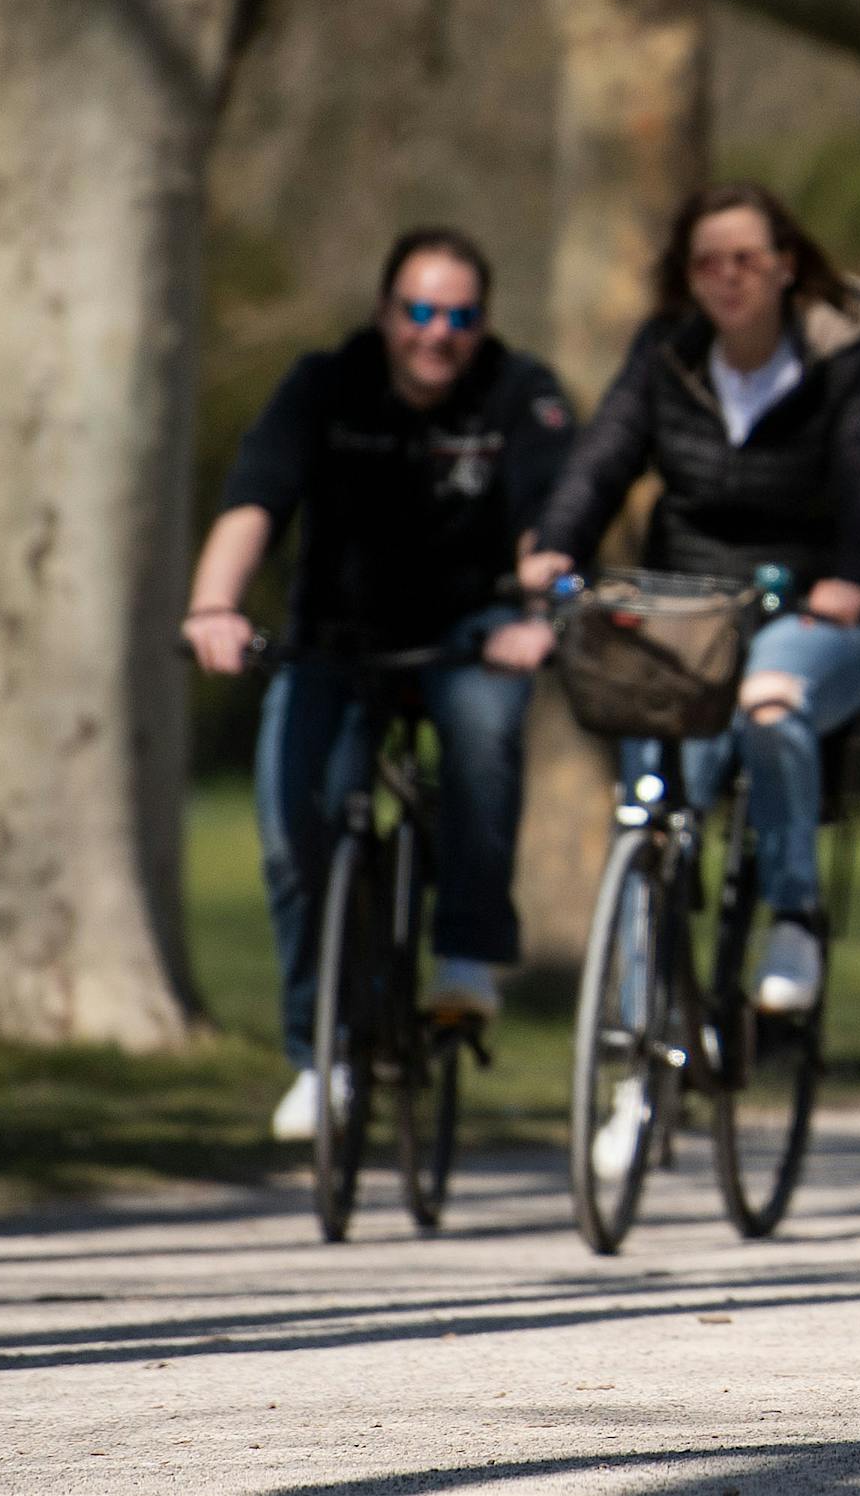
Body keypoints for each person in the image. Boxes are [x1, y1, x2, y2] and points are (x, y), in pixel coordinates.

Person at [183, 226, 573, 1139]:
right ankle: (323, 1054)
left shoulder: (519, 394)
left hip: (470, 629)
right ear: (385, 312)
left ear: (483, 324)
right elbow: (256, 498)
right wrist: (212, 608)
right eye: (421, 312)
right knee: (294, 829)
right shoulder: (325, 385)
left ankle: (468, 960)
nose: (438, 332)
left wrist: (539, 617)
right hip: (337, 636)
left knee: (483, 735)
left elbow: (547, 520)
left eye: (460, 316)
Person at [524, 183, 860, 1016]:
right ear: (685, 277)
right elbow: (604, 456)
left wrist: (853, 581)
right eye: (706, 264)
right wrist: (556, 543)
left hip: (805, 610)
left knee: (769, 705)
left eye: (746, 260)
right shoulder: (666, 354)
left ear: (785, 267)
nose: (727, 279)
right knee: (649, 811)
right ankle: (632, 1057)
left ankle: (795, 914)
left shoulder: (836, 352)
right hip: (687, 611)